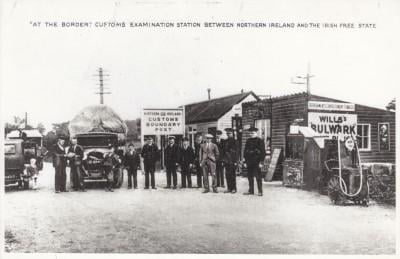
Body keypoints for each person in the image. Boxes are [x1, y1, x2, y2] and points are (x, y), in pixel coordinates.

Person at [243, 127, 266, 196]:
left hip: (257, 162)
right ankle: (251, 190)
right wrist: (245, 161)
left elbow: (263, 152)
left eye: (252, 133)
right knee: (250, 177)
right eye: (250, 133)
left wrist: (261, 162)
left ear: (256, 133)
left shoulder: (260, 141)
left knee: (258, 177)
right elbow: (245, 152)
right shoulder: (248, 141)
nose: (251, 134)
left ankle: (260, 191)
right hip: (249, 162)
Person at [223, 128, 239, 193]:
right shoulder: (225, 141)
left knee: (232, 175)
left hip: (233, 161)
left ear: (233, 134)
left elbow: (237, 152)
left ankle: (234, 188)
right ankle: (229, 188)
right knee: (227, 175)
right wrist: (223, 160)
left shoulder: (235, 141)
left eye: (229, 133)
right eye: (227, 133)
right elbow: (223, 151)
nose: (228, 135)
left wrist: (236, 161)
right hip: (226, 161)